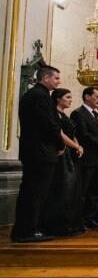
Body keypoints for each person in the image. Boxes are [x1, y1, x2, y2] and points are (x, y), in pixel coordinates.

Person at [11, 66, 65, 243]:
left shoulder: (35, 95)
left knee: (32, 191)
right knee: (35, 192)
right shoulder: (40, 97)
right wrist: (59, 143)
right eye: (56, 78)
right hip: (40, 151)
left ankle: (27, 228)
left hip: (35, 150)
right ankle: (26, 231)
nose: (58, 81)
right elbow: (49, 125)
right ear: (46, 78)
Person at [45, 88, 85, 237]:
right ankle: (60, 226)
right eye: (67, 97)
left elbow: (72, 133)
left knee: (72, 190)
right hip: (62, 154)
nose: (70, 100)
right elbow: (60, 134)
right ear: (57, 99)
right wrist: (76, 146)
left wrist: (78, 144)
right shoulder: (53, 114)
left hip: (70, 155)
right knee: (63, 189)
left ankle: (71, 224)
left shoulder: (64, 115)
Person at [71, 87, 98, 230]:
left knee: (95, 190)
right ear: (87, 97)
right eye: (97, 97)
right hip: (87, 157)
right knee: (83, 189)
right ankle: (78, 219)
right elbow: (82, 134)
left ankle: (90, 218)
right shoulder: (78, 113)